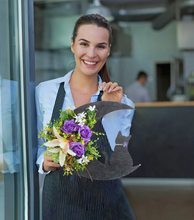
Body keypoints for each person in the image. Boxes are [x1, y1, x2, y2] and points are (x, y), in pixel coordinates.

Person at [36, 14, 135, 220]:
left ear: (108, 50)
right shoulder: (45, 92)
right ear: (72, 45)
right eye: (84, 43)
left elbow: (118, 161)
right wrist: (43, 162)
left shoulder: (123, 103)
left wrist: (110, 108)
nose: (91, 53)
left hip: (107, 209)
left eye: (100, 46)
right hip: (58, 208)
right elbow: (35, 148)